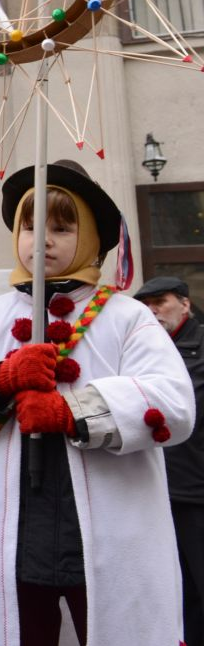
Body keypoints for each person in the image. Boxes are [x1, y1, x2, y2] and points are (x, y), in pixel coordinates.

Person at [0, 160, 195, 646]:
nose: (42, 240)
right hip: (16, 530)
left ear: (91, 234)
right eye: (31, 227)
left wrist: (71, 410)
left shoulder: (125, 316)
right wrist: (3, 378)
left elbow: (174, 404)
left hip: (104, 534)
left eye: (61, 227)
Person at [134, 275, 204, 646]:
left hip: (197, 494)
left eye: (160, 302)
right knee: (175, 594)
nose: (152, 311)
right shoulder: (140, 354)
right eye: (145, 305)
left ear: (186, 305)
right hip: (155, 494)